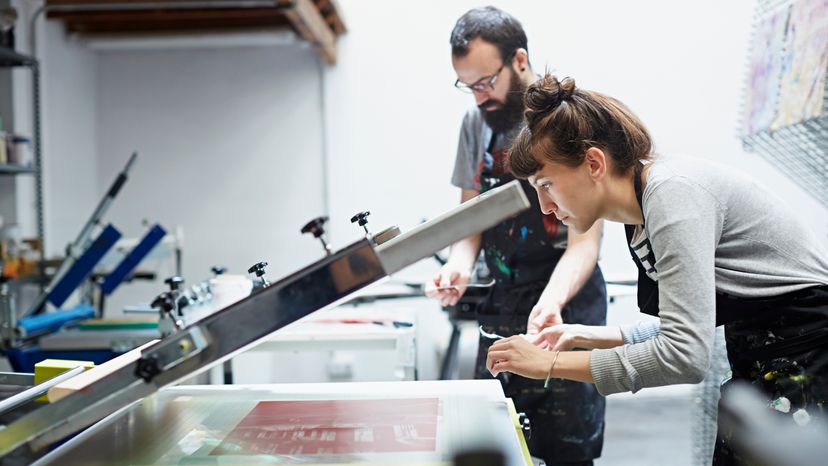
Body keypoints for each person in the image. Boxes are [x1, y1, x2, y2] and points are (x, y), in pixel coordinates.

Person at [486, 73, 828, 464]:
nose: (544, 207)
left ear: (594, 162)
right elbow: (684, 326)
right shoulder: (643, 212)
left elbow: (684, 355)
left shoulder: (672, 195)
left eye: (546, 185)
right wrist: (584, 334)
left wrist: (551, 365)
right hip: (765, 357)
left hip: (808, 363)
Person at [425, 7, 607, 465]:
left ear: (519, 60)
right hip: (502, 305)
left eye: (486, 81)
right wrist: (459, 266)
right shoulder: (475, 125)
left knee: (567, 447)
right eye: (467, 85)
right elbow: (469, 220)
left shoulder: (565, 121)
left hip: (566, 306)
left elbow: (584, 241)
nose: (478, 96)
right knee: (499, 441)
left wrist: (551, 302)